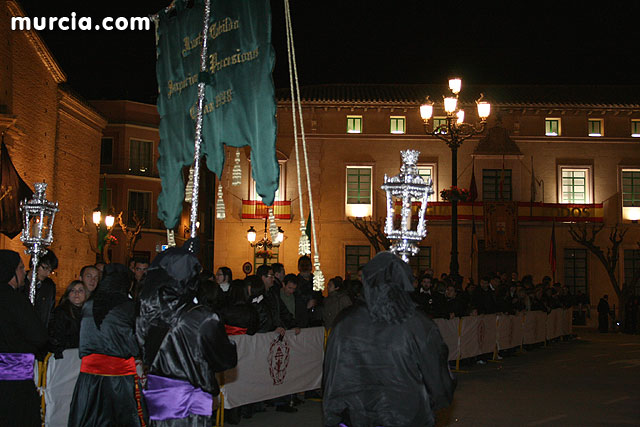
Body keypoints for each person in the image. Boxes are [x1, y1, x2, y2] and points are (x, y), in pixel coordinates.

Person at [323, 252, 455, 427]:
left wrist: (334, 414)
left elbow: (329, 375)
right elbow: (439, 382)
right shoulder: (418, 324)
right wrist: (427, 406)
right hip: (402, 417)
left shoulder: (344, 321)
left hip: (356, 417)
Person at [137, 238, 237, 426]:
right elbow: (225, 360)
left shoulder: (145, 310)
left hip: (157, 395)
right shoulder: (202, 317)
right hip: (189, 400)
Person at [68, 263, 143, 427]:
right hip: (118, 379)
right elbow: (135, 345)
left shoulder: (88, 305)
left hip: (89, 379)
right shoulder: (128, 307)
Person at [0, 250, 48, 426]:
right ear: (10, 272)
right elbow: (39, 336)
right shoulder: (15, 300)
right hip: (14, 378)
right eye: (20, 268)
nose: (23, 272)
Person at [49, 280, 88, 359]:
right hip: (66, 356)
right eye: (73, 290)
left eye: (80, 290)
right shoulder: (61, 312)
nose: (76, 293)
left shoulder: (88, 313)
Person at [21, 249, 58, 329]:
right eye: (45, 268)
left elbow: (51, 313)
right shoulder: (20, 282)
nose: (47, 273)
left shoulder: (49, 286)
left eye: (50, 271)